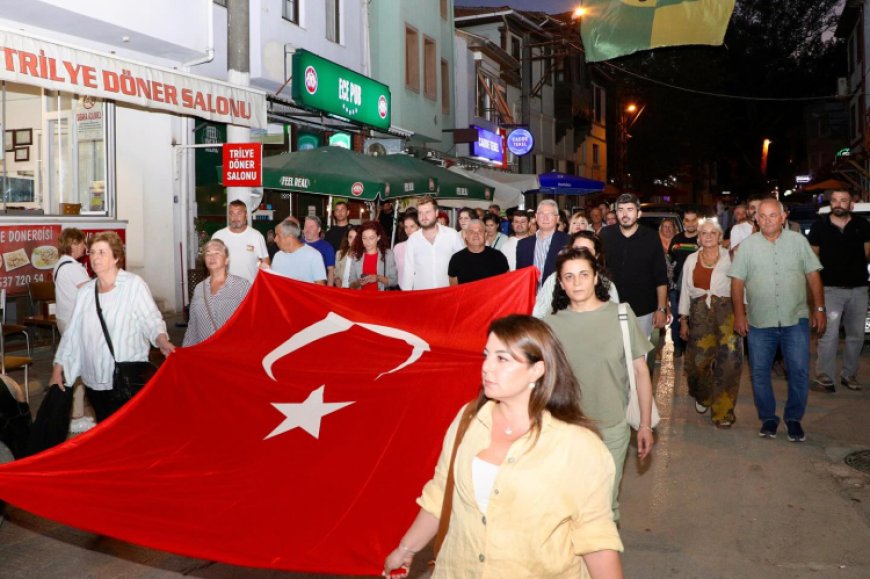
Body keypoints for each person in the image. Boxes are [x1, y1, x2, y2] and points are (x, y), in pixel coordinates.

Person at [383, 315, 623, 578]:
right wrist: (405, 549)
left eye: (502, 359)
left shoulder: (578, 447)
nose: (487, 367)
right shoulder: (468, 421)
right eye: (486, 355)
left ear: (536, 370)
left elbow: (596, 540)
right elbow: (441, 493)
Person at [545, 247, 655, 520]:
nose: (577, 282)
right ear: (561, 283)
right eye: (569, 277)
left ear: (596, 278)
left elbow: (640, 371)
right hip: (565, 430)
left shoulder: (621, 315)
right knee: (568, 507)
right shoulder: (551, 325)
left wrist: (644, 424)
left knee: (604, 509)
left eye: (584, 274)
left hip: (611, 429)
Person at [50, 232, 176, 422]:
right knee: (104, 425)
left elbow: (151, 319)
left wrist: (161, 340)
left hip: (125, 377)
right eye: (92, 252)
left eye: (102, 252)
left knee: (129, 428)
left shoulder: (133, 285)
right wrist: (59, 365)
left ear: (116, 257)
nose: (95, 257)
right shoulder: (86, 292)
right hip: (93, 378)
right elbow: (72, 333)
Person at [730, 198, 825, 442]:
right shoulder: (747, 247)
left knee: (799, 371)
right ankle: (768, 419)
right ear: (756, 219)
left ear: (783, 217)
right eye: (762, 216)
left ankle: (793, 419)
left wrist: (820, 309)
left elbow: (813, 276)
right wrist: (739, 315)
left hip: (795, 319)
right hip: (760, 322)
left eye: (773, 215)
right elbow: (737, 283)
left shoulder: (798, 242)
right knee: (759, 373)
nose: (768, 220)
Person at [678, 220, 742, 428]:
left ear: (719, 236)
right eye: (703, 233)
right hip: (699, 312)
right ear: (698, 237)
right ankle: (703, 395)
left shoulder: (731, 257)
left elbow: (741, 285)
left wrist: (743, 313)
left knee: (729, 362)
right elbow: (685, 291)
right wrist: (683, 320)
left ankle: (723, 412)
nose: (708, 236)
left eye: (712, 233)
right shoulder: (691, 259)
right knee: (698, 363)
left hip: (727, 312)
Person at [808, 189, 870, 392]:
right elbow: (813, 260)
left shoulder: (862, 225)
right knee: (828, 334)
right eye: (834, 200)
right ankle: (825, 377)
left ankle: (849, 374)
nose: (838, 204)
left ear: (851, 204)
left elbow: (867, 254)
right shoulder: (819, 227)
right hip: (830, 290)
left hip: (859, 289)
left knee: (856, 335)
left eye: (843, 200)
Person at [600, 193, 669, 343]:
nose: (624, 214)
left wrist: (661, 308)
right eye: (620, 210)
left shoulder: (651, 237)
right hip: (610, 308)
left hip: (644, 311)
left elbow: (660, 276)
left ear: (639, 213)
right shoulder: (605, 235)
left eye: (630, 209)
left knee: (640, 354)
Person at [533, 231, 620, 318]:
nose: (579, 254)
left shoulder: (607, 284)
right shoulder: (554, 279)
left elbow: (615, 315)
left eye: (586, 251)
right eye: (576, 249)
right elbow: (537, 313)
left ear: (596, 256)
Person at [183, 239, 251, 346]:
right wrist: (185, 351)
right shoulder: (199, 289)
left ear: (226, 260)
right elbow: (192, 326)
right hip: (204, 352)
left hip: (232, 351)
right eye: (208, 253)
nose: (212, 257)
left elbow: (253, 320)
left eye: (217, 253)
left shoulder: (242, 286)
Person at [402, 196, 464, 290]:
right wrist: (407, 295)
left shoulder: (452, 235)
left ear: (436, 213)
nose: (424, 217)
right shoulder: (413, 240)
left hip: (447, 295)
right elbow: (408, 273)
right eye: (420, 213)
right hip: (422, 296)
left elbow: (462, 265)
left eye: (427, 212)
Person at [516, 200, 569, 292]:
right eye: (541, 214)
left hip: (557, 295)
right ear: (536, 217)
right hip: (530, 296)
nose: (545, 218)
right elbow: (520, 277)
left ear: (557, 218)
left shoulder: (568, 241)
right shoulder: (523, 244)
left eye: (550, 214)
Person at [211, 199, 270, 283]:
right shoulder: (218, 236)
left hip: (250, 287)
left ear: (246, 215)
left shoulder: (256, 236)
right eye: (232, 213)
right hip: (225, 287)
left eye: (239, 213)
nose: (235, 217)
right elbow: (211, 263)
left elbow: (265, 262)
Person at [668, 210, 701, 358]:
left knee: (695, 319)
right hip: (677, 287)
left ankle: (692, 348)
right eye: (688, 220)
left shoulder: (702, 238)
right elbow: (669, 261)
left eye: (693, 220)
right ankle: (678, 346)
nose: (691, 223)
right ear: (684, 222)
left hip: (697, 287)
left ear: (697, 221)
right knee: (677, 318)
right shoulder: (676, 239)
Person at [448, 220, 509, 285]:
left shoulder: (498, 256)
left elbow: (507, 284)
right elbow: (454, 289)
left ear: (485, 235)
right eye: (471, 232)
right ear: (466, 236)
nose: (476, 235)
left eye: (479, 231)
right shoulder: (456, 259)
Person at [53, 228, 91, 334]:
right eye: (83, 243)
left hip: (63, 318)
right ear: (74, 244)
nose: (85, 247)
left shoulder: (59, 264)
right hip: (74, 320)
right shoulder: (73, 268)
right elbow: (90, 293)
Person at [270, 219, 327, 285]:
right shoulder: (277, 256)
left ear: (289, 237)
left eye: (278, 235)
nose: (275, 239)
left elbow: (320, 287)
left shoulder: (314, 256)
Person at [347, 221, 398, 291]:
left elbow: (394, 281)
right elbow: (351, 285)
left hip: (380, 296)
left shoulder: (388, 254)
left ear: (378, 237)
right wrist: (358, 283)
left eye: (371, 238)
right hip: (361, 296)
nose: (367, 242)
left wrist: (378, 278)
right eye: (364, 238)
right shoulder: (356, 255)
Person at [302, 215, 336, 286]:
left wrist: (328, 290)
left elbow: (330, 270)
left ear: (319, 229)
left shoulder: (327, 247)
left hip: (318, 286)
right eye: (306, 226)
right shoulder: (298, 244)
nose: (308, 230)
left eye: (311, 227)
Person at [394, 211, 419, 291]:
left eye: (412, 226)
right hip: (402, 291)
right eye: (406, 227)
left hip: (422, 291)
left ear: (419, 227)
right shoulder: (398, 248)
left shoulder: (426, 247)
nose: (408, 230)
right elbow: (394, 272)